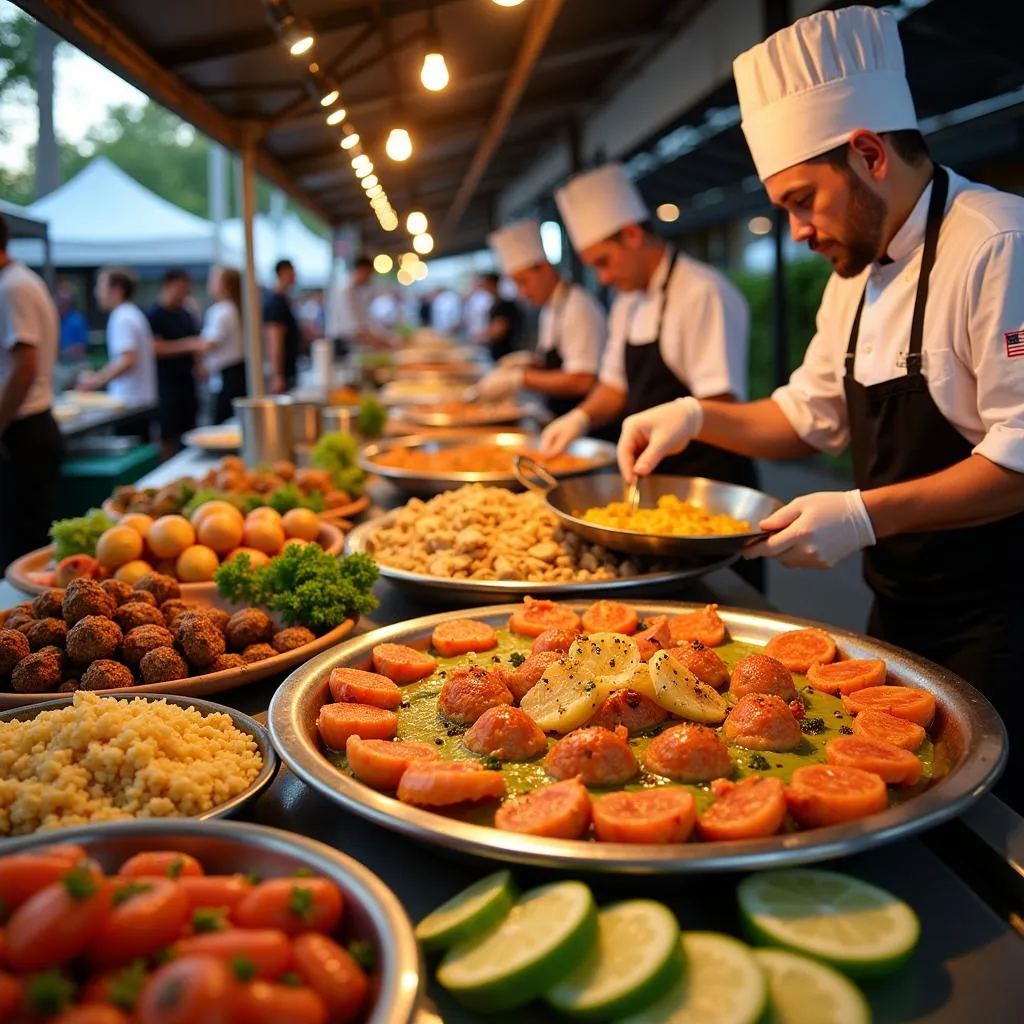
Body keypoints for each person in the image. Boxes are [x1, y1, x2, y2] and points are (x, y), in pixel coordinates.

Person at [618, 6, 1024, 803]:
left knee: (983, 827)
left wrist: (865, 514)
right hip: (898, 609)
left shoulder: (997, 246)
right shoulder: (855, 279)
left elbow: (1020, 462)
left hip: (1004, 618)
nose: (798, 231)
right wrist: (697, 415)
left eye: (804, 200)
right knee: (883, 797)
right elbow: (806, 417)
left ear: (869, 153)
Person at [540, 162, 761, 589]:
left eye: (604, 262)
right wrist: (580, 418)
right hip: (650, 498)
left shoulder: (703, 293)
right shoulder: (628, 300)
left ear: (633, 234)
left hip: (707, 501)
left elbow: (723, 405)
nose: (602, 278)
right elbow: (614, 386)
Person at [477, 219, 605, 418]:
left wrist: (520, 379)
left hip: (587, 421)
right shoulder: (550, 308)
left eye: (523, 282)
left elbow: (582, 380)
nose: (521, 293)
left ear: (545, 269)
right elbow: (558, 362)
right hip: (558, 413)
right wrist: (528, 363)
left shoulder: (578, 307)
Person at [0, 213, 62, 570]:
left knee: (22, 548)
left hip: (24, 433)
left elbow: (25, 367)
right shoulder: (19, 282)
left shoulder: (13, 287)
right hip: (28, 430)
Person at [82, 268, 158, 433]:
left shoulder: (122, 317)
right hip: (140, 402)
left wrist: (95, 380)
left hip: (130, 404)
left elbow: (127, 360)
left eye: (101, 287)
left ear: (117, 289)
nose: (97, 293)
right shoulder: (132, 314)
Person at [147, 268, 204, 458]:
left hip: (187, 382)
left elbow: (196, 341)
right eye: (180, 289)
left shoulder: (185, 314)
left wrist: (199, 363)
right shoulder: (155, 314)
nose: (183, 294)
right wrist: (188, 345)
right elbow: (156, 348)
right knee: (168, 433)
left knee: (189, 429)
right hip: (166, 384)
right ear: (168, 286)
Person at [200, 266, 245, 424]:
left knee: (223, 422)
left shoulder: (221, 311)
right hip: (238, 373)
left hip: (228, 375)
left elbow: (209, 344)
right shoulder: (235, 308)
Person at [326, 256, 392, 357]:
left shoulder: (356, 291)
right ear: (361, 270)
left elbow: (365, 322)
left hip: (350, 345)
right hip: (341, 346)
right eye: (369, 274)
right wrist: (382, 341)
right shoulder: (345, 291)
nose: (370, 278)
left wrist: (382, 338)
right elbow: (353, 330)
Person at [262, 259, 301, 393]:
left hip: (289, 367)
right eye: (292, 272)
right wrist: (277, 375)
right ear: (283, 273)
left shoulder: (283, 299)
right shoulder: (275, 302)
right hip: (283, 370)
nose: (295, 276)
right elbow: (274, 339)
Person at [476, 272, 523, 362]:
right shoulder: (494, 304)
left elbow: (499, 331)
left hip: (506, 353)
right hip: (495, 352)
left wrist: (480, 337)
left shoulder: (505, 305)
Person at [56, 280, 88, 361]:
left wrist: (61, 352)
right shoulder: (53, 319)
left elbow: (81, 348)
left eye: (64, 300)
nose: (61, 303)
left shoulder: (78, 321)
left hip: (73, 364)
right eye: (59, 299)